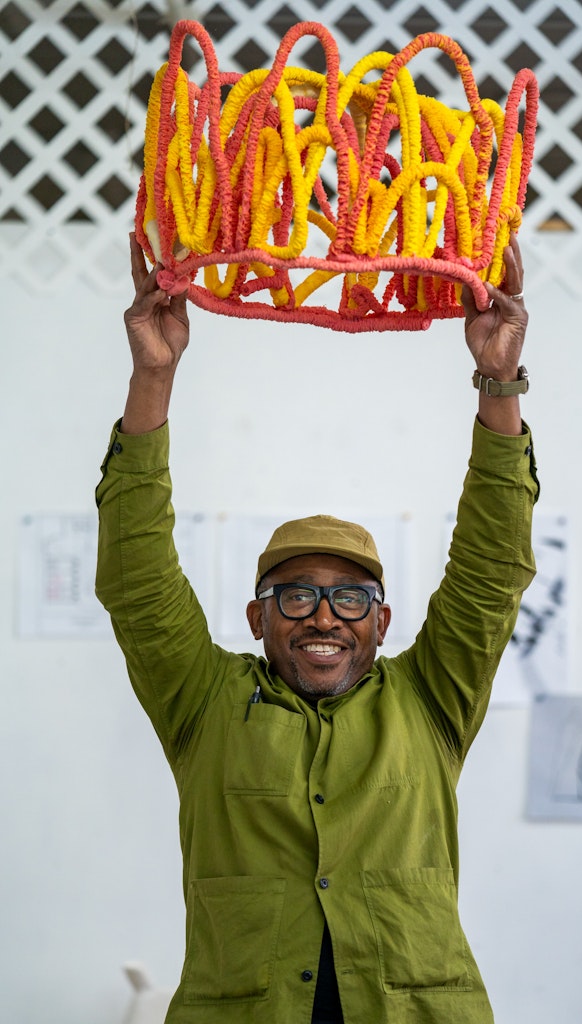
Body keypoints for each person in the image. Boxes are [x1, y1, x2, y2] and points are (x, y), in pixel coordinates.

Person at [96, 233, 539, 1024]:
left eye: (350, 599)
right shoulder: (204, 703)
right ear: (257, 618)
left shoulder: (430, 701)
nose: (324, 616)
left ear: (382, 622)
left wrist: (497, 383)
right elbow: (137, 580)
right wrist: (152, 376)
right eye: (296, 596)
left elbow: (490, 568)